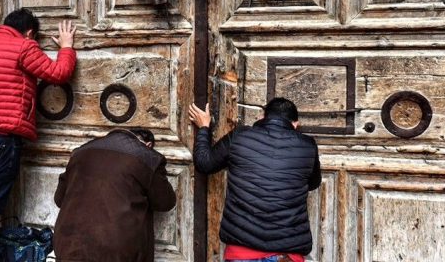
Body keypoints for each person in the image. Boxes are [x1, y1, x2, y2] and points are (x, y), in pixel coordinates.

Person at [0, 7, 77, 261]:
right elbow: (59, 74)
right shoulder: (23, 47)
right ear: (29, 33)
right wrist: (67, 46)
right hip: (1, 140)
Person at [189, 98, 322, 262]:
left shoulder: (240, 136)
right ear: (295, 124)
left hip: (241, 252)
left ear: (262, 116)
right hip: (286, 255)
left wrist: (204, 127)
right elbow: (314, 183)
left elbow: (204, 163)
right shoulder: (308, 145)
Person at [53, 129, 176, 262]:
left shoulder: (81, 152)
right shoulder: (146, 156)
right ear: (148, 145)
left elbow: (59, 199)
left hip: (69, 245)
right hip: (116, 251)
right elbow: (165, 202)